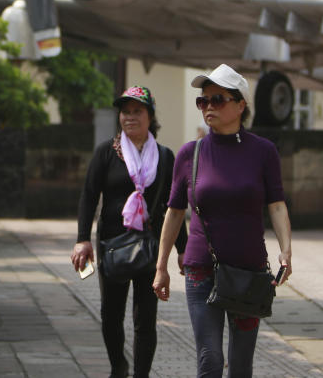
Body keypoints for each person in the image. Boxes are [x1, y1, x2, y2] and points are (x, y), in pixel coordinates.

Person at [153, 64, 293, 378]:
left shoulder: (263, 152)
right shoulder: (190, 154)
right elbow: (174, 212)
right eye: (203, 101)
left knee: (241, 366)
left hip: (249, 271)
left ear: (241, 105)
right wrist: (161, 266)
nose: (208, 107)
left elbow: (277, 205)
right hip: (201, 270)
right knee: (210, 358)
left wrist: (286, 250)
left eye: (218, 99)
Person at [71, 85, 188, 378]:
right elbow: (88, 195)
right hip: (112, 244)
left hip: (151, 247)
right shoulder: (105, 153)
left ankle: (141, 375)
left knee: (145, 319)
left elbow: (173, 207)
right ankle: (118, 367)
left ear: (150, 116)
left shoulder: (165, 156)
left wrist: (183, 249)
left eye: (137, 111)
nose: (130, 117)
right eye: (125, 112)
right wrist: (82, 239)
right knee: (111, 316)